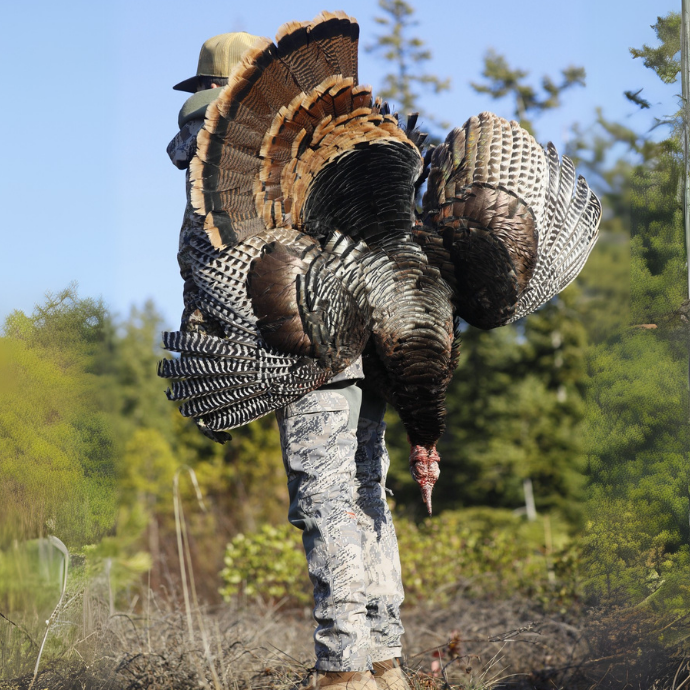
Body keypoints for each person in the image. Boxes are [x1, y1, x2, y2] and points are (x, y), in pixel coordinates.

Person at [168, 35, 409, 690]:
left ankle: (343, 671)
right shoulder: (312, 146)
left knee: (328, 499)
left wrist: (210, 363)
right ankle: (386, 661)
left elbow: (212, 272)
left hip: (305, 360)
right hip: (366, 347)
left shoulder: (217, 157)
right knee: (366, 496)